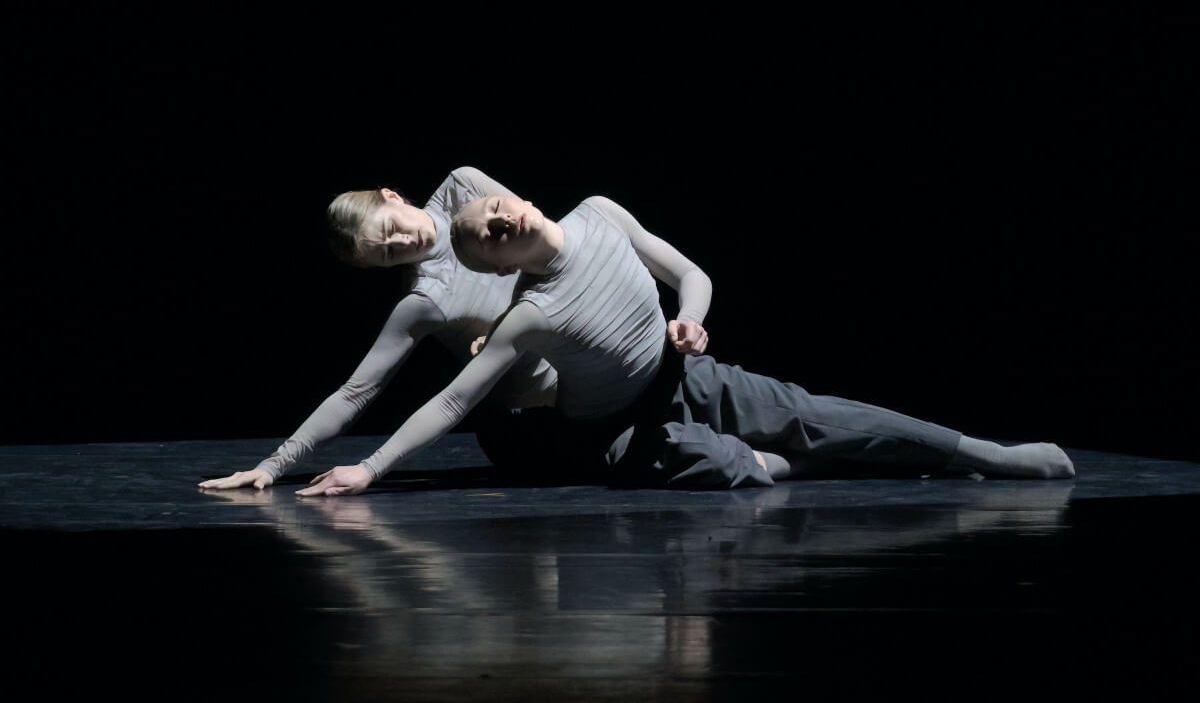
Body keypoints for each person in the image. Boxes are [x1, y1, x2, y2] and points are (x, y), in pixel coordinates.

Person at [295, 194, 1074, 496]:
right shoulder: (523, 316)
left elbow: (690, 275)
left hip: (681, 370)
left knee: (812, 410)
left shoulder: (599, 214)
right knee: (729, 467)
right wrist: (366, 468)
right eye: (490, 238)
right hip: (616, 423)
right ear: (499, 267)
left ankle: (982, 452)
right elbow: (450, 401)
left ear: (514, 196)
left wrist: (690, 319)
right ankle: (783, 463)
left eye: (496, 210)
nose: (499, 222)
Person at [197, 168, 557, 491]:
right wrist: (272, 466)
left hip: (596, 357)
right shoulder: (424, 300)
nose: (402, 243)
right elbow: (356, 392)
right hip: (540, 418)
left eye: (390, 229)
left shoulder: (463, 187)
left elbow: (544, 241)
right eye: (388, 254)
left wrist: (505, 319)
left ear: (392, 196)